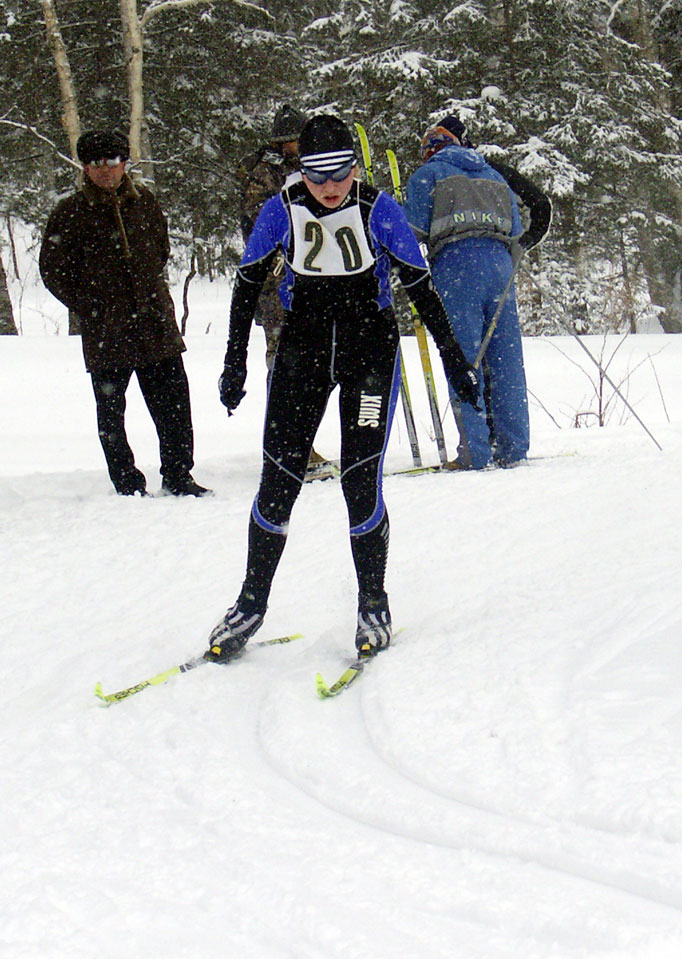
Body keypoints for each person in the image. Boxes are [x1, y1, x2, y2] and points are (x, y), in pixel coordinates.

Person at [206, 114, 479, 662]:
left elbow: (420, 287)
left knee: (360, 480)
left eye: (339, 173)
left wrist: (453, 359)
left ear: (355, 166)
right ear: (299, 171)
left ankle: (373, 602)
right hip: (301, 352)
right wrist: (234, 362)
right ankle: (251, 603)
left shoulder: (379, 209)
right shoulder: (280, 209)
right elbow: (245, 285)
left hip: (368, 355)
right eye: (316, 174)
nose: (329, 188)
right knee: (278, 481)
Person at [39, 128, 211, 497]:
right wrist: (90, 305)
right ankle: (127, 481)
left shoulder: (145, 201)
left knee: (175, 407)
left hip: (155, 324)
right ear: (85, 169)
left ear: (125, 164)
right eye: (96, 163)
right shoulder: (70, 212)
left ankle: (179, 475)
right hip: (107, 330)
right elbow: (53, 269)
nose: (105, 170)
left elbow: (160, 250)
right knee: (112, 411)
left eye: (112, 162)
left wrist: (146, 291)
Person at [403, 114, 551, 470]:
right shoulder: (494, 175)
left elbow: (412, 233)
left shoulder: (428, 175)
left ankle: (475, 452)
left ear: (430, 150)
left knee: (463, 358)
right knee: (505, 359)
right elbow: (517, 227)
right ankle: (514, 448)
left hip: (457, 266)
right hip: (501, 265)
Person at [237, 104, 333, 481]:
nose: (297, 146)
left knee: (311, 364)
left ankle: (300, 441)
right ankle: (286, 445)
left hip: (312, 279)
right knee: (284, 363)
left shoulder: (313, 169)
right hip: (277, 280)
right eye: (292, 141)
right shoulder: (266, 173)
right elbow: (258, 220)